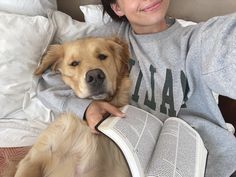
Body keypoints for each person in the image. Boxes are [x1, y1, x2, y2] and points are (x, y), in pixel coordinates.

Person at [36, 0, 236, 176]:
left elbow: (225, 43)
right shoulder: (105, 40)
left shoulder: (197, 39)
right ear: (118, 7)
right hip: (130, 162)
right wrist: (86, 108)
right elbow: (48, 76)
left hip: (211, 163)